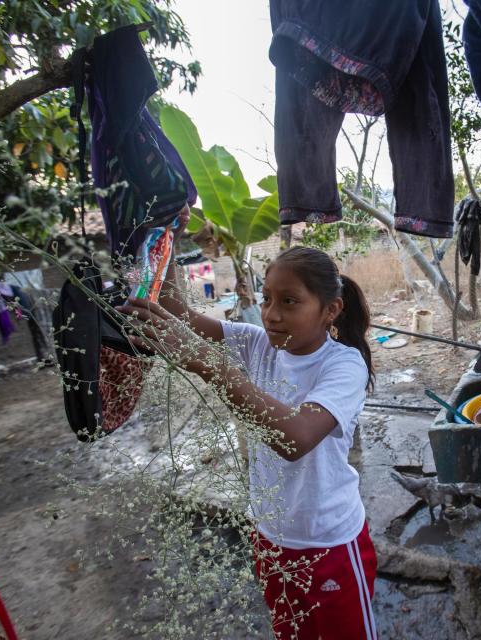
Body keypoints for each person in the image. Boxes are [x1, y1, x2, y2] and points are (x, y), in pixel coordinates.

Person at [119, 243, 378, 640]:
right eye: (267, 298)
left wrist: (214, 367)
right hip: (270, 537)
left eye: (290, 301)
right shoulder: (257, 343)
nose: (271, 314)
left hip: (329, 545)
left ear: (331, 310)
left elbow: (295, 438)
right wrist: (168, 235)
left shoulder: (342, 365)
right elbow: (178, 314)